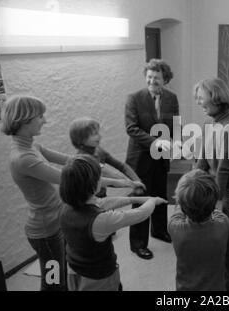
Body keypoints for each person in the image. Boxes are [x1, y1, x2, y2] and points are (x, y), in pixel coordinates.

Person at [1, 95, 132, 291]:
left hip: (57, 221)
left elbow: (70, 161)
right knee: (54, 281)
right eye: (40, 116)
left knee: (64, 275)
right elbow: (74, 177)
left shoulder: (33, 146)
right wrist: (118, 181)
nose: (44, 120)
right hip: (45, 231)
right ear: (24, 120)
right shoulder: (23, 158)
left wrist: (100, 166)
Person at [59, 154, 167, 291]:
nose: (102, 181)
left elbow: (104, 202)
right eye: (100, 178)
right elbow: (139, 214)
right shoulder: (99, 220)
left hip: (74, 270)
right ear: (92, 185)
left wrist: (136, 197)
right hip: (99, 278)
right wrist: (152, 201)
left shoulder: (66, 207)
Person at [125, 59, 179, 259]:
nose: (152, 81)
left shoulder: (172, 98)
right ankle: (138, 243)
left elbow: (175, 125)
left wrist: (176, 141)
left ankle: (159, 230)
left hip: (161, 157)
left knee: (159, 194)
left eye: (156, 77)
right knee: (141, 200)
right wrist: (156, 142)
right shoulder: (134, 98)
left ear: (165, 79)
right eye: (149, 76)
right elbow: (132, 129)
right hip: (140, 159)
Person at [195, 77, 229, 291]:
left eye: (201, 97)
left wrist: (216, 200)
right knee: (216, 239)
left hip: (227, 189)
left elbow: (224, 168)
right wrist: (191, 182)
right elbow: (203, 157)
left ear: (216, 98)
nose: (199, 102)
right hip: (214, 184)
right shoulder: (211, 122)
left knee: (226, 238)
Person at [168, 169, 229, 291]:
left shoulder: (174, 226)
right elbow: (216, 210)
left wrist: (184, 196)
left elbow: (178, 208)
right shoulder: (224, 223)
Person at [69, 116, 146, 198]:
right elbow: (110, 179)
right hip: (88, 203)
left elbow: (122, 166)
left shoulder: (99, 150)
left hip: (102, 197)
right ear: (81, 139)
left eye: (98, 132)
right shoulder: (82, 160)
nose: (99, 136)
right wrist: (132, 184)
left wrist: (136, 180)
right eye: (94, 134)